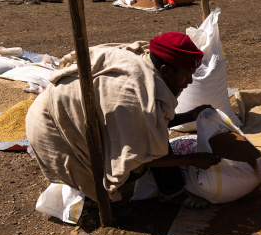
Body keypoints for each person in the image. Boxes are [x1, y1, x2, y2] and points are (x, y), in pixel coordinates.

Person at [26, 33, 221, 210]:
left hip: (67, 115)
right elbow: (141, 155)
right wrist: (192, 159)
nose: (189, 81)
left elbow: (152, 123)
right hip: (52, 130)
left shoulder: (148, 71)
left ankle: (170, 189)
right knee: (151, 147)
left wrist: (190, 115)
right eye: (186, 75)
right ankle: (173, 193)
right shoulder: (135, 97)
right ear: (165, 70)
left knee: (153, 137)